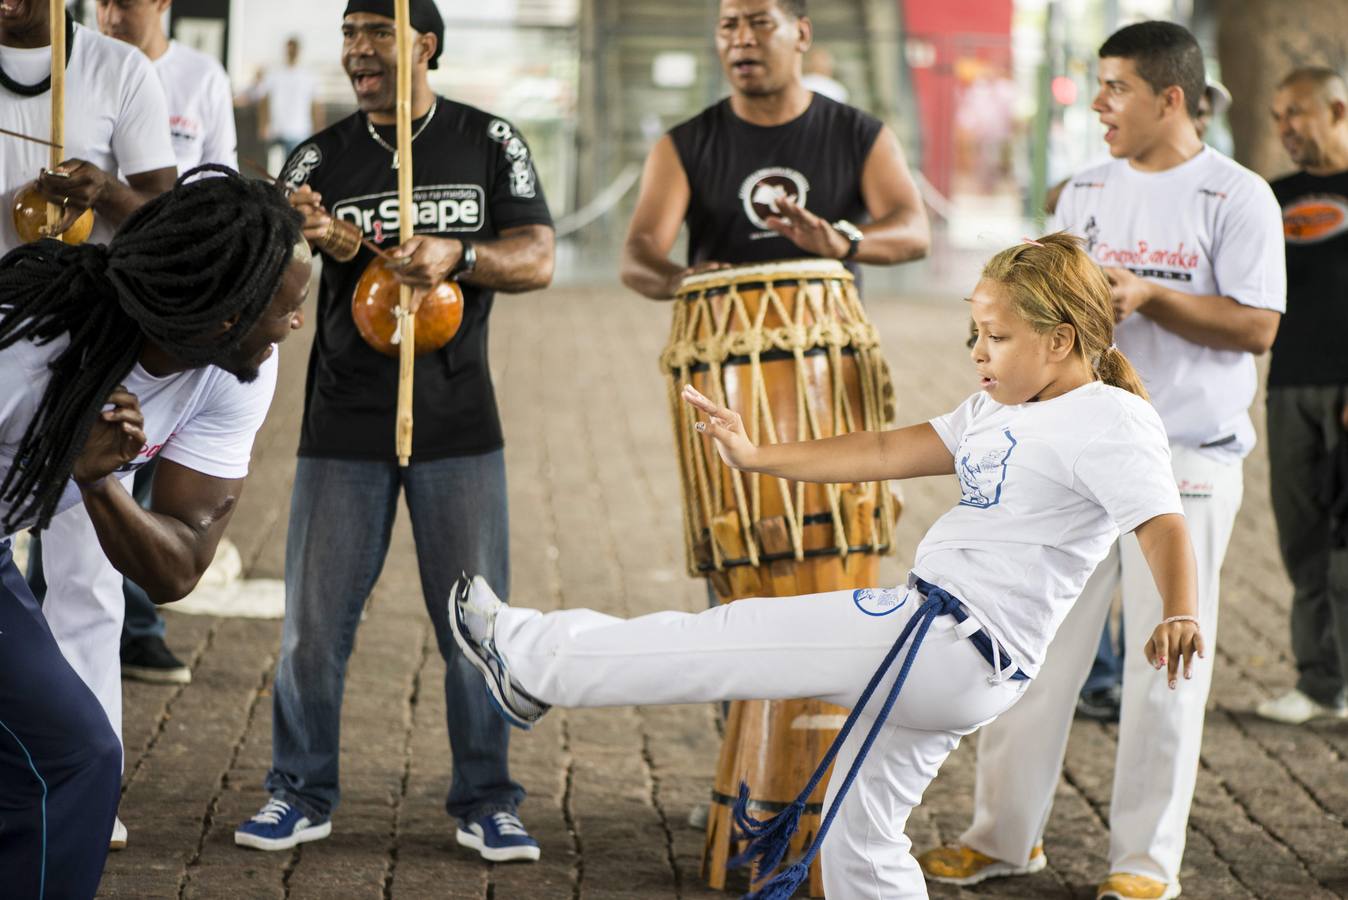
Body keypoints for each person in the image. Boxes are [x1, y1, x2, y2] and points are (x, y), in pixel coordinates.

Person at [449, 233, 1204, 900]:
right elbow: (882, 452)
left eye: (996, 337)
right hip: (941, 648)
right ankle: (537, 664)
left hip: (949, 644)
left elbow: (1164, 523)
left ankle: (535, 661)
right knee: (858, 839)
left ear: (1062, 340)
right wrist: (755, 455)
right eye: (973, 333)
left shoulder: (1114, 419)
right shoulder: (998, 405)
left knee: (732, 638)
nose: (977, 352)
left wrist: (1179, 610)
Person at [919, 22, 1285, 900]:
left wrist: (1153, 297)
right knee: (1030, 649)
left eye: (1115, 88)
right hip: (1064, 453)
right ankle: (1002, 839)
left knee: (1168, 662)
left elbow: (1259, 326)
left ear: (1171, 97)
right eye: (1098, 85)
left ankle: (1143, 865)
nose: (1098, 105)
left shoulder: (1237, 197)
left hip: (1186, 457)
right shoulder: (1081, 189)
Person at [233, 0, 556, 864]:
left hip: (458, 422)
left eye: (377, 32)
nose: (357, 51)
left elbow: (539, 255)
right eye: (349, 34)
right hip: (344, 417)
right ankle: (299, 791)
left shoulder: (489, 141)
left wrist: (464, 256)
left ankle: (487, 799)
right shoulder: (319, 155)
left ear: (426, 44)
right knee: (312, 625)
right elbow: (280, 276)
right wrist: (293, 238)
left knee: (477, 630)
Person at [0, 168, 309, 900]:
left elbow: (177, 568)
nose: (295, 323)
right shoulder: (29, 344)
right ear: (225, 314)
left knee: (75, 756)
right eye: (285, 309)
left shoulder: (237, 372)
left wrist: (100, 482)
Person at [38, 0, 240, 696]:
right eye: (102, 2)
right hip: (53, 325)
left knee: (110, 512)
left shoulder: (173, 75)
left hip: (130, 324)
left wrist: (108, 193)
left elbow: (211, 211)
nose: (110, 12)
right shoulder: (64, 65)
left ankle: (137, 636)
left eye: (126, 0)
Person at [620, 0, 928, 301]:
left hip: (832, 346)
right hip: (720, 343)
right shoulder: (680, 145)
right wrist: (678, 279)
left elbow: (914, 233)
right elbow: (638, 253)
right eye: (728, 25)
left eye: (761, 22)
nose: (741, 38)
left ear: (802, 34)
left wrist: (842, 240)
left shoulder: (862, 134)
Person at [1257, 67, 1348, 725]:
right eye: (1277, 116)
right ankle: (1318, 684)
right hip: (1288, 386)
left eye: (1296, 112)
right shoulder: (1269, 196)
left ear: (1337, 109)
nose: (1284, 127)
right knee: (1302, 538)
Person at [253, 36, 322, 162]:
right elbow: (264, 100)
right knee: (274, 173)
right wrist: (263, 125)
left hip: (300, 131)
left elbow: (316, 105)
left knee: (294, 171)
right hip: (276, 131)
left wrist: (318, 130)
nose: (292, 52)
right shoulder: (274, 73)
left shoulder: (309, 76)